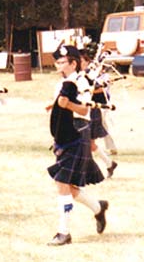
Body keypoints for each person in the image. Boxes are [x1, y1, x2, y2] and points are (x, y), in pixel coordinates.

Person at [46, 45, 108, 246]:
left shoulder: (83, 81)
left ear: (74, 63)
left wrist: (68, 105)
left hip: (77, 132)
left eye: (63, 62)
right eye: (58, 61)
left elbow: (83, 110)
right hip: (64, 133)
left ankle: (64, 233)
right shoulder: (62, 83)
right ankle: (98, 208)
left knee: (62, 183)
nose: (59, 65)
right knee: (69, 187)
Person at [79, 50, 118, 178]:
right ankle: (109, 163)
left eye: (82, 61)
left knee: (87, 143)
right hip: (84, 110)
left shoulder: (91, 75)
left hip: (92, 109)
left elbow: (99, 88)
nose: (80, 63)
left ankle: (88, 169)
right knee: (88, 143)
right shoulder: (81, 75)